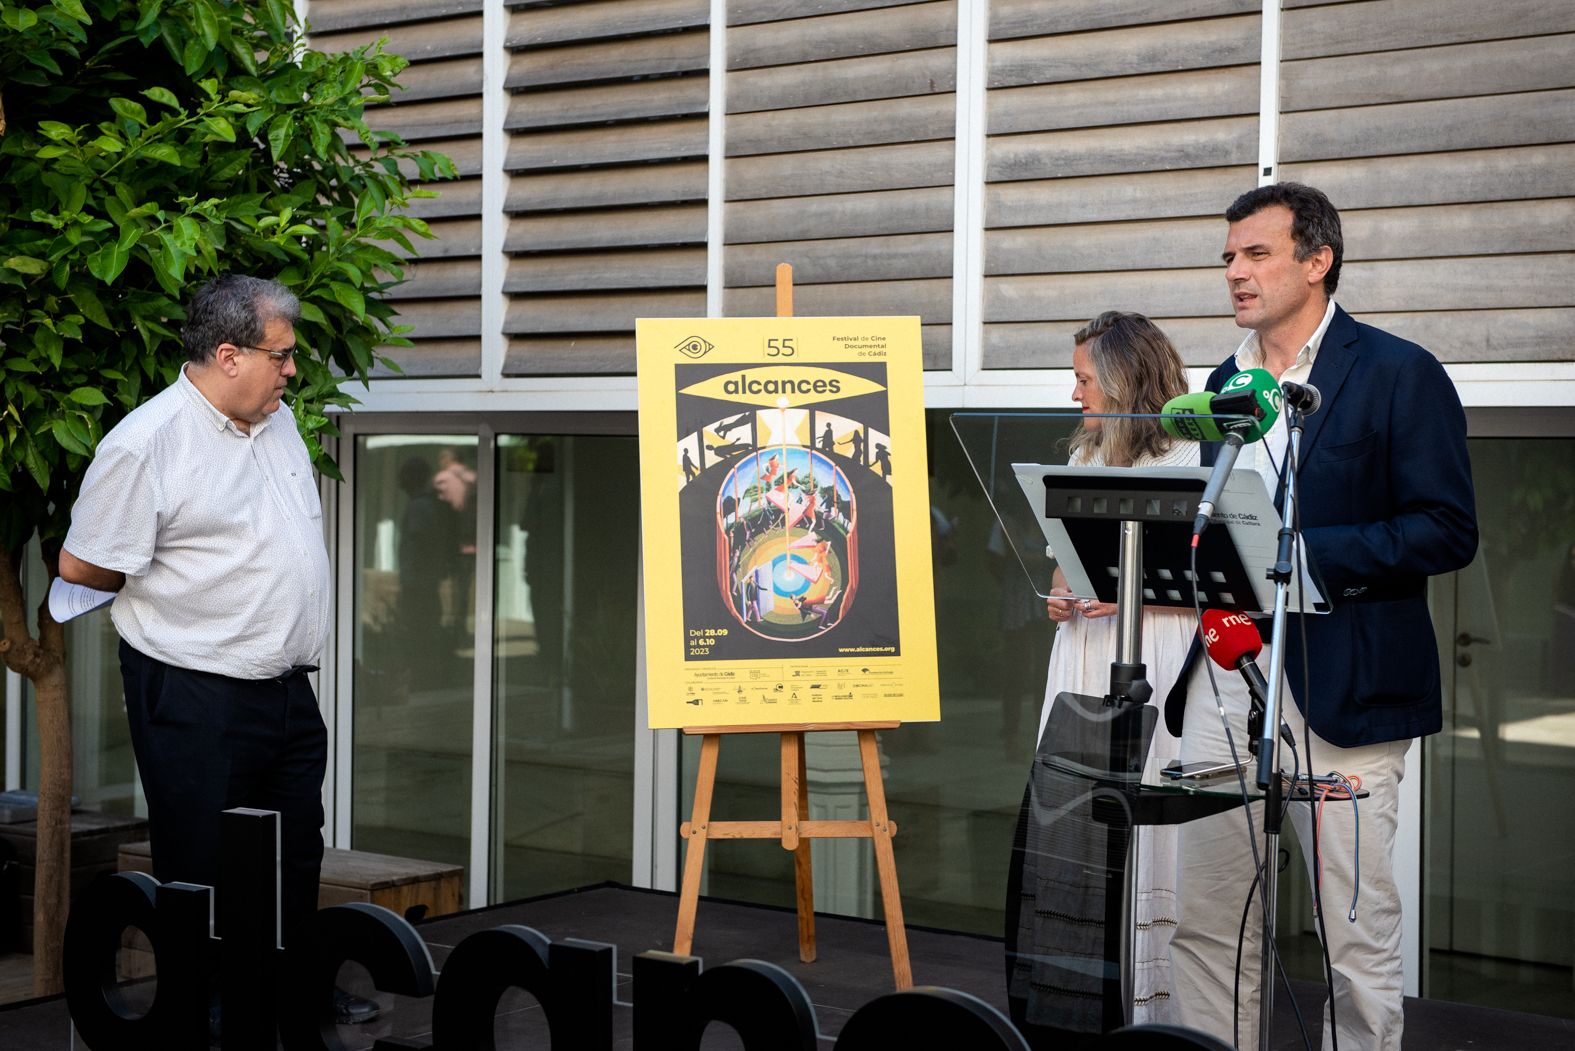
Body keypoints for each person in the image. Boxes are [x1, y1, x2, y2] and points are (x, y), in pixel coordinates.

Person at [1163, 183, 1478, 1049]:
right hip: (1232, 684)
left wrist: (1301, 554)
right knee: (1208, 926)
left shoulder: (1396, 372)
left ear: (1316, 260)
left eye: (1255, 253)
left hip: (1346, 688)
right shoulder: (1227, 381)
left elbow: (1447, 528)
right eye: (1228, 256)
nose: (1234, 271)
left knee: (1354, 936)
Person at [57, 274, 378, 1026]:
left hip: (285, 685)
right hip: (194, 684)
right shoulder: (145, 443)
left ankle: (292, 988)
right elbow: (81, 564)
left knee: (295, 847)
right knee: (199, 860)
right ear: (228, 355)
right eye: (282, 355)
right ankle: (200, 1004)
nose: (292, 370)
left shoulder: (279, 422)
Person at [1036, 310, 1197, 1024]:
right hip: (1083, 653)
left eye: (1083, 379)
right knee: (1075, 822)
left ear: (1124, 378)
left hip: (1153, 655)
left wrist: (1125, 592)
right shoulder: (1081, 459)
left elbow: (1213, 584)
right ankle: (1077, 1001)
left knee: (1146, 829)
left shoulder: (1185, 462)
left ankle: (1150, 1013)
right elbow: (1065, 562)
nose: (1075, 394)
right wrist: (1061, 593)